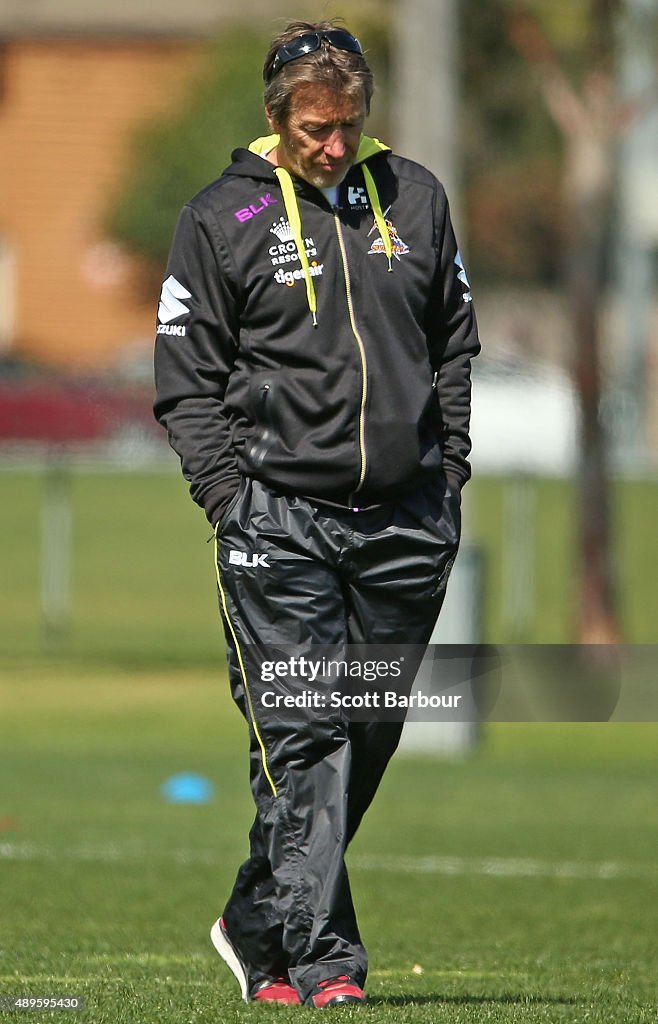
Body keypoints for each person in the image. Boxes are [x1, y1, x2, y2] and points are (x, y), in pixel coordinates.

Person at [154, 19, 480, 1009]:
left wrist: (447, 468)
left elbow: (454, 342)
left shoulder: (415, 197)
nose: (332, 144)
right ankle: (325, 961)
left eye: (346, 125)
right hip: (277, 524)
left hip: (405, 522)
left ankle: (255, 920)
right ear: (274, 117)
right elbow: (185, 379)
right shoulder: (220, 219)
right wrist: (227, 499)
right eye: (312, 127)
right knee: (302, 737)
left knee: (364, 737)